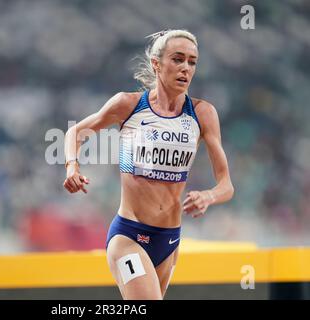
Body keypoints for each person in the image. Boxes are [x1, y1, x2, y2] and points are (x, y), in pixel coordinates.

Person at [63, 29, 234, 300]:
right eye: (177, 59)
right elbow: (75, 133)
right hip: (129, 235)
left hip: (169, 239)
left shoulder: (202, 114)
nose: (185, 68)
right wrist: (72, 167)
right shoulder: (128, 105)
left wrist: (208, 197)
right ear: (157, 64)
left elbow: (227, 185)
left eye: (192, 62)